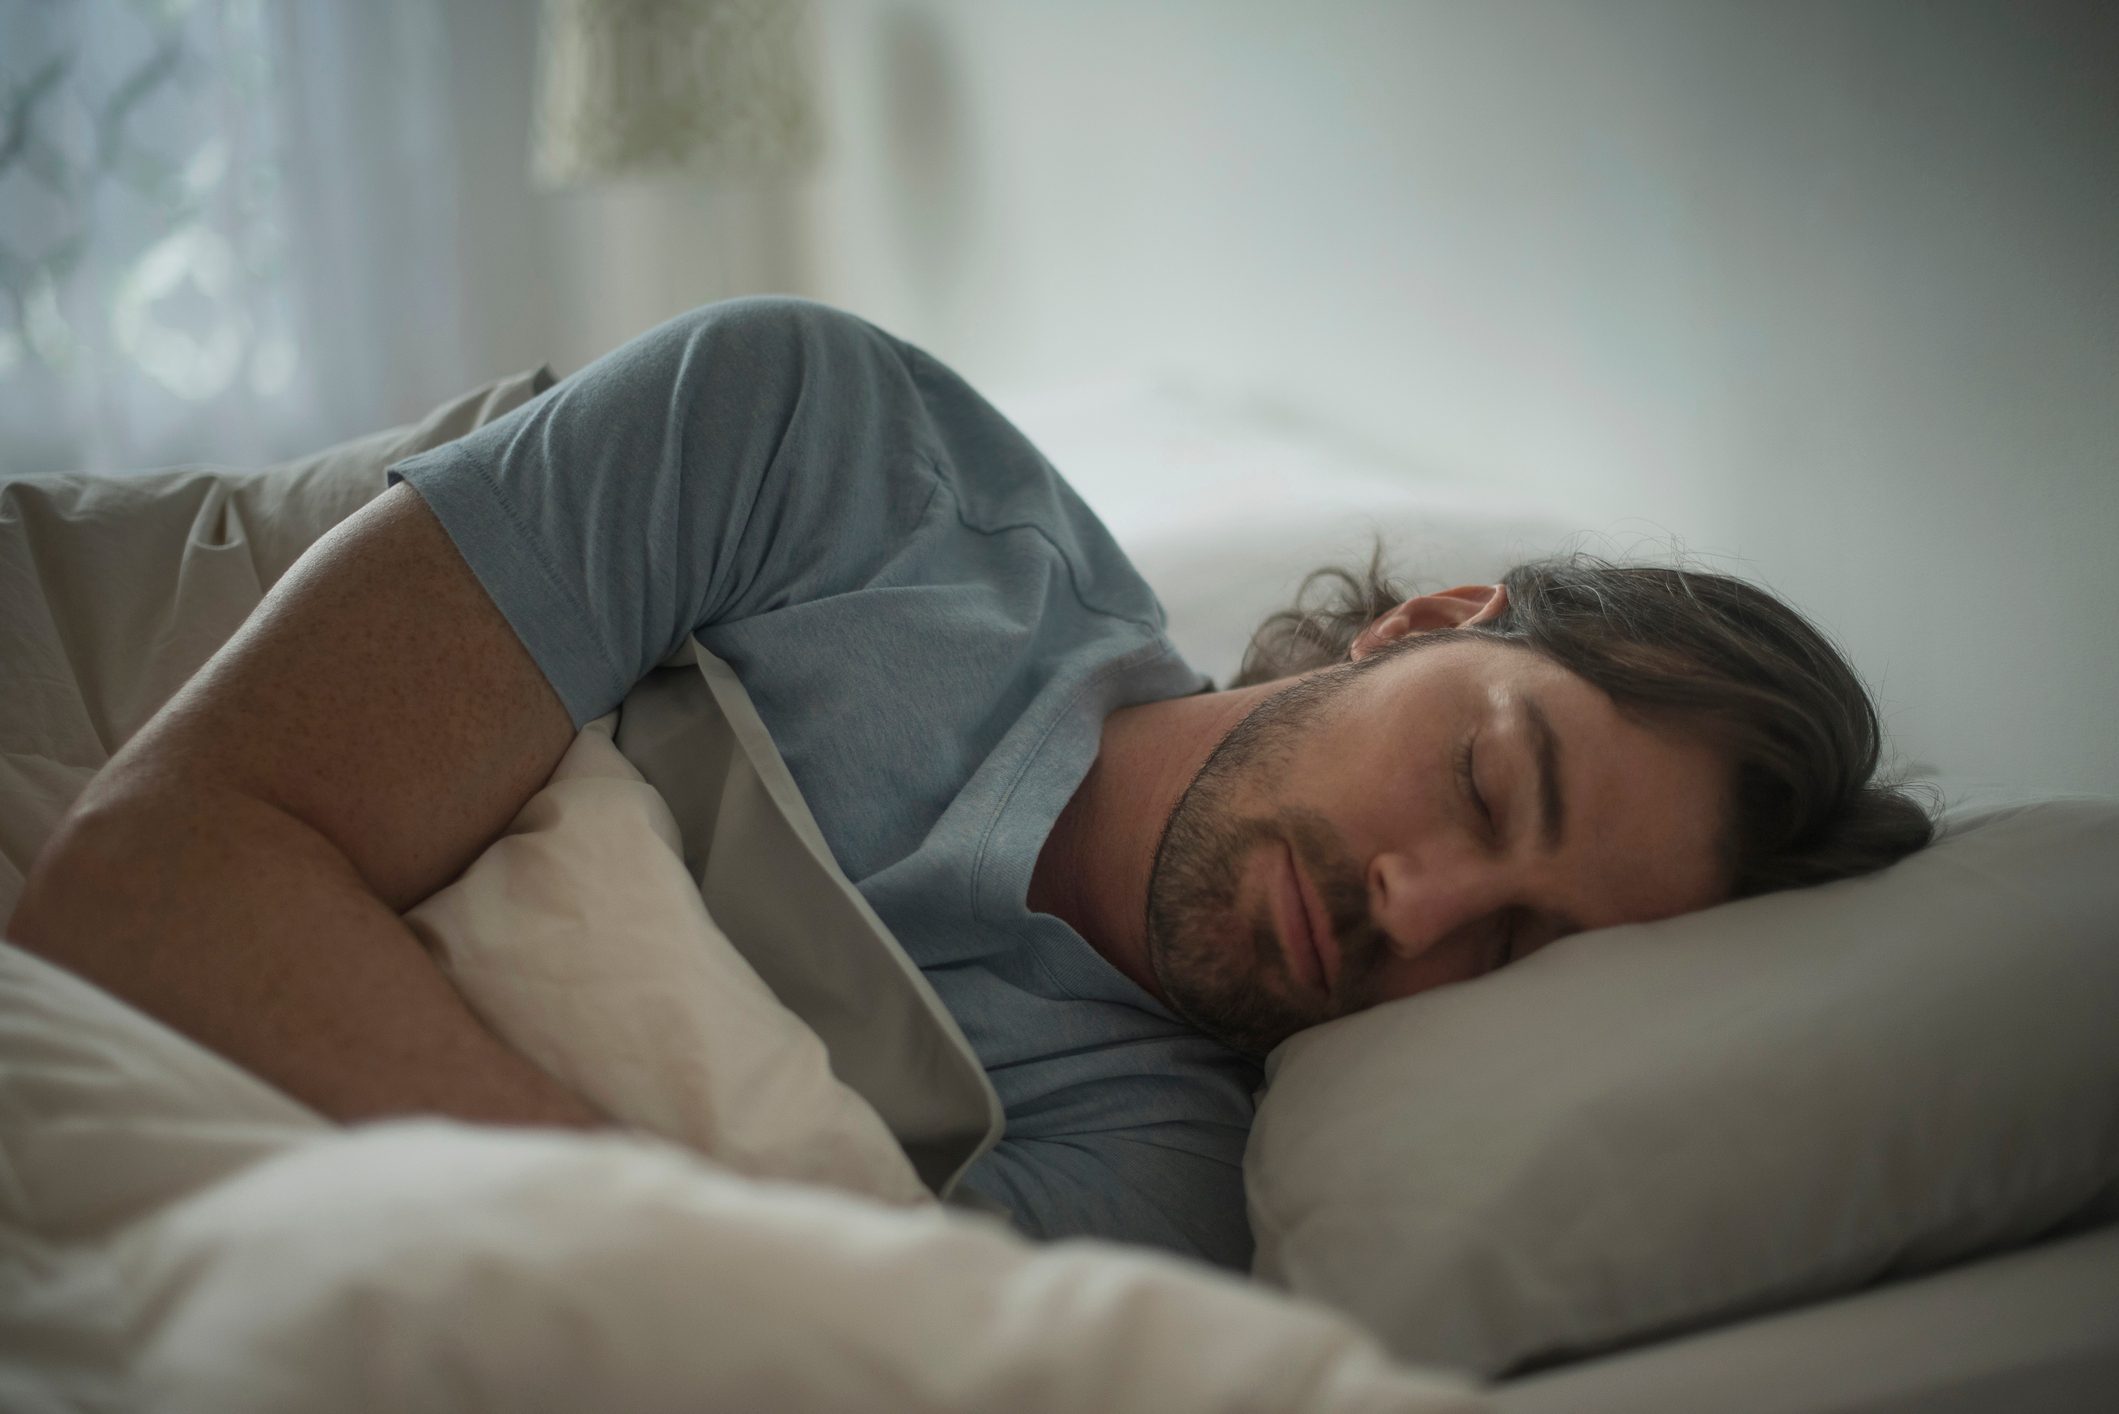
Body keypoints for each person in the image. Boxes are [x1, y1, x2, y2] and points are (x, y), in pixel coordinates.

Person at [8, 297, 1933, 1272]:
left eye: (1515, 953)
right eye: (1489, 786)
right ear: (1422, 618)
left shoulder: (1159, 1178)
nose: (1419, 909)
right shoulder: (841, 453)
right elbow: (148, 874)